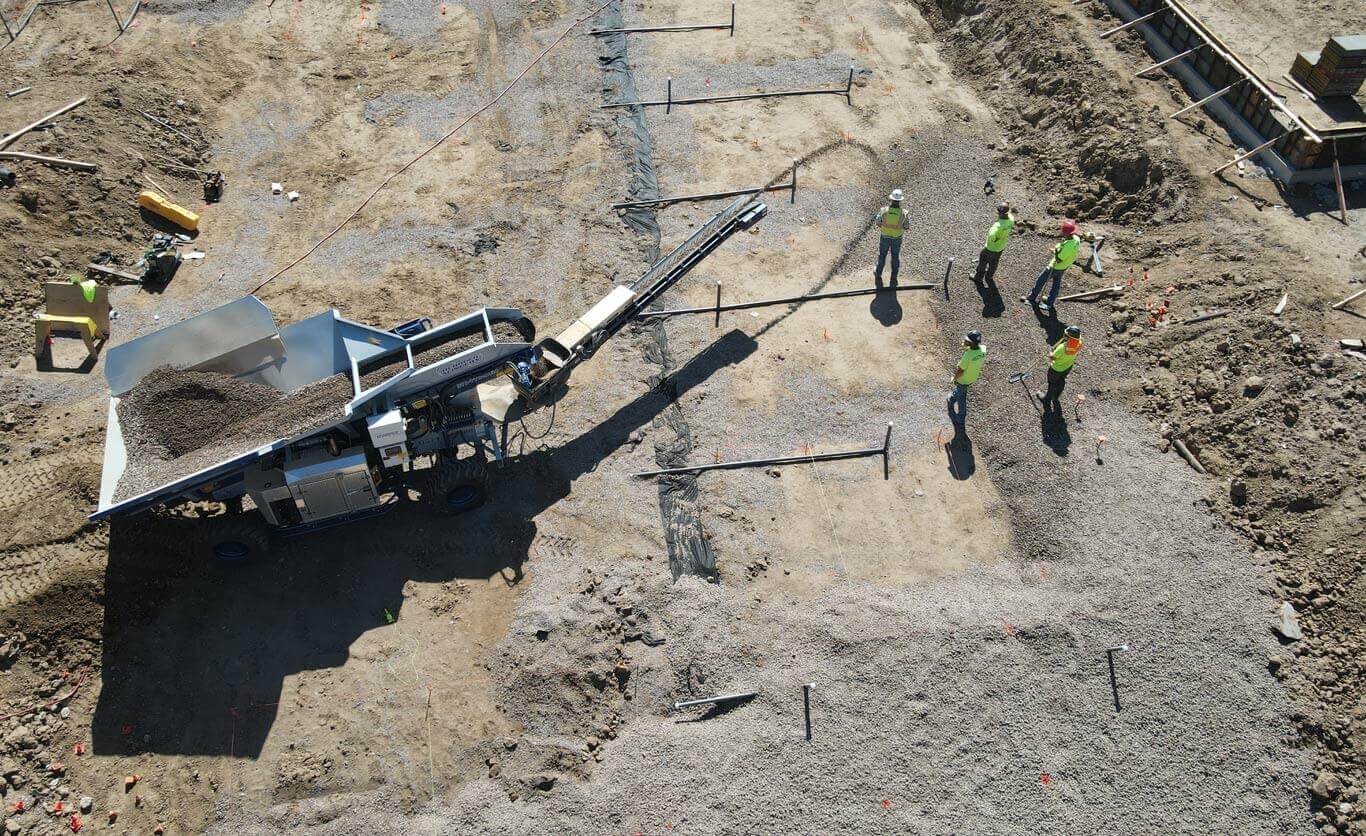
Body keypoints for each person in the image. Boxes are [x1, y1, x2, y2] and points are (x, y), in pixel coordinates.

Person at [1023, 220, 1081, 313]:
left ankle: (1031, 298)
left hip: (1056, 266)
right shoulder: (1076, 239)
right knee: (1056, 284)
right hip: (1065, 266)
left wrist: (1055, 251)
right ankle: (1049, 303)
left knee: (1041, 280)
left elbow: (1059, 259)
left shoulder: (1068, 246)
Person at [1038, 324, 1083, 410]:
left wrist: (1051, 353)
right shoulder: (1079, 343)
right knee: (1061, 380)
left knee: (1052, 383)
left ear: (1068, 337)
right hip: (1068, 367)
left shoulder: (1062, 348)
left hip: (1056, 369)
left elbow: (1052, 357)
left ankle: (1046, 400)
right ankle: (1056, 397)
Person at [947, 330, 986, 427]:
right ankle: (951, 398)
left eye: (967, 340)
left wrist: (954, 378)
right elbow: (975, 357)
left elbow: (960, 370)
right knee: (960, 391)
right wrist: (969, 349)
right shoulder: (983, 349)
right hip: (973, 377)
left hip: (963, 379)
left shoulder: (967, 356)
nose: (965, 341)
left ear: (972, 343)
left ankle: (961, 417)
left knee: (962, 397)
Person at [973, 202, 1014, 287]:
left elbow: (992, 238)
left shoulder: (997, 227)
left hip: (990, 248)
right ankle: (989, 276)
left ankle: (978, 277)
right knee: (994, 262)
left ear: (999, 213)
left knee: (983, 261)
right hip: (1001, 247)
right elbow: (1009, 214)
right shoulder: (1011, 219)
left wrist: (995, 239)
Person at [875, 188, 909, 283]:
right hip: (897, 238)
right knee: (895, 256)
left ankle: (878, 274)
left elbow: (878, 222)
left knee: (882, 255)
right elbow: (906, 226)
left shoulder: (884, 211)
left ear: (891, 199)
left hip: (885, 237)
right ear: (900, 201)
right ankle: (894, 277)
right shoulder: (904, 213)